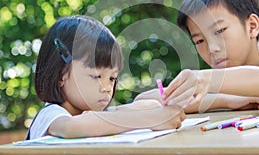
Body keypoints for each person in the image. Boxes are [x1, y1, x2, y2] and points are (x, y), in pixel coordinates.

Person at [136, 0, 259, 113]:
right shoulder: (212, 83)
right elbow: (143, 101)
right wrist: (227, 99)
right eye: (199, 41)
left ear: (252, 26)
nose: (212, 48)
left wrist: (203, 80)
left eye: (219, 31)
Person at [26, 15, 185, 140]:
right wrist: (151, 119)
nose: (107, 87)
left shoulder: (87, 112)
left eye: (112, 78)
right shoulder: (51, 115)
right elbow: (71, 127)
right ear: (61, 75)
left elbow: (147, 105)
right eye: (96, 76)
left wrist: (156, 110)